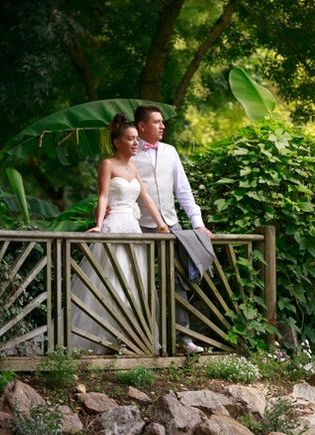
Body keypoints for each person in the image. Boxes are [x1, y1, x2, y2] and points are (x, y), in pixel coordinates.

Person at [69, 113, 169, 355]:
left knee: (134, 283)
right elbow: (103, 196)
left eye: (137, 139)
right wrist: (99, 223)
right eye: (131, 139)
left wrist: (162, 225)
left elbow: (146, 199)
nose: (136, 143)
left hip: (133, 230)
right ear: (117, 141)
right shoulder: (108, 164)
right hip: (114, 226)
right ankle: (103, 338)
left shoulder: (133, 169)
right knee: (112, 281)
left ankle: (128, 338)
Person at [132, 105, 212, 354]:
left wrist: (197, 223)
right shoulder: (130, 153)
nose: (162, 125)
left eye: (162, 121)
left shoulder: (170, 152)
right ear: (142, 126)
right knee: (139, 281)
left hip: (171, 225)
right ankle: (143, 338)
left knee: (179, 280)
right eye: (156, 122)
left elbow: (183, 191)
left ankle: (183, 339)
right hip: (139, 227)